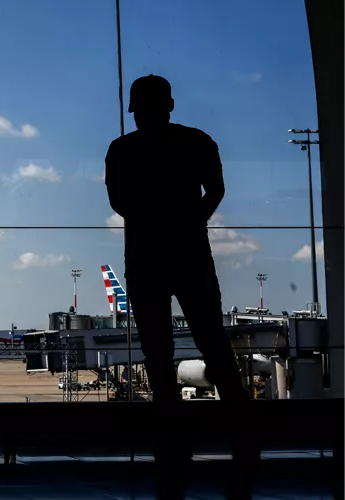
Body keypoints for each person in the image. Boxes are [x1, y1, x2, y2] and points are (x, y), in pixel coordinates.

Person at [104, 74, 257, 498]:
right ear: (171, 105)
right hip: (191, 254)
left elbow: (118, 202)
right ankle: (243, 434)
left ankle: (171, 437)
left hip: (145, 257)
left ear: (136, 109)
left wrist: (152, 217)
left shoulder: (121, 149)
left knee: (157, 350)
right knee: (214, 345)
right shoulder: (198, 141)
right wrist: (190, 220)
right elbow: (217, 190)